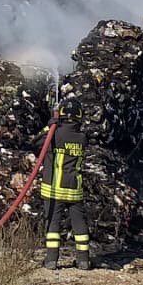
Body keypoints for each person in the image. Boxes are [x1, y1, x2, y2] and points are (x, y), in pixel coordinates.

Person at [40, 109, 91, 269]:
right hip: (74, 189)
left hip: (54, 189)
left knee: (53, 224)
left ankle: (51, 260)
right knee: (79, 224)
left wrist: (49, 127)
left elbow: (35, 143)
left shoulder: (55, 134)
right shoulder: (82, 138)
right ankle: (83, 260)